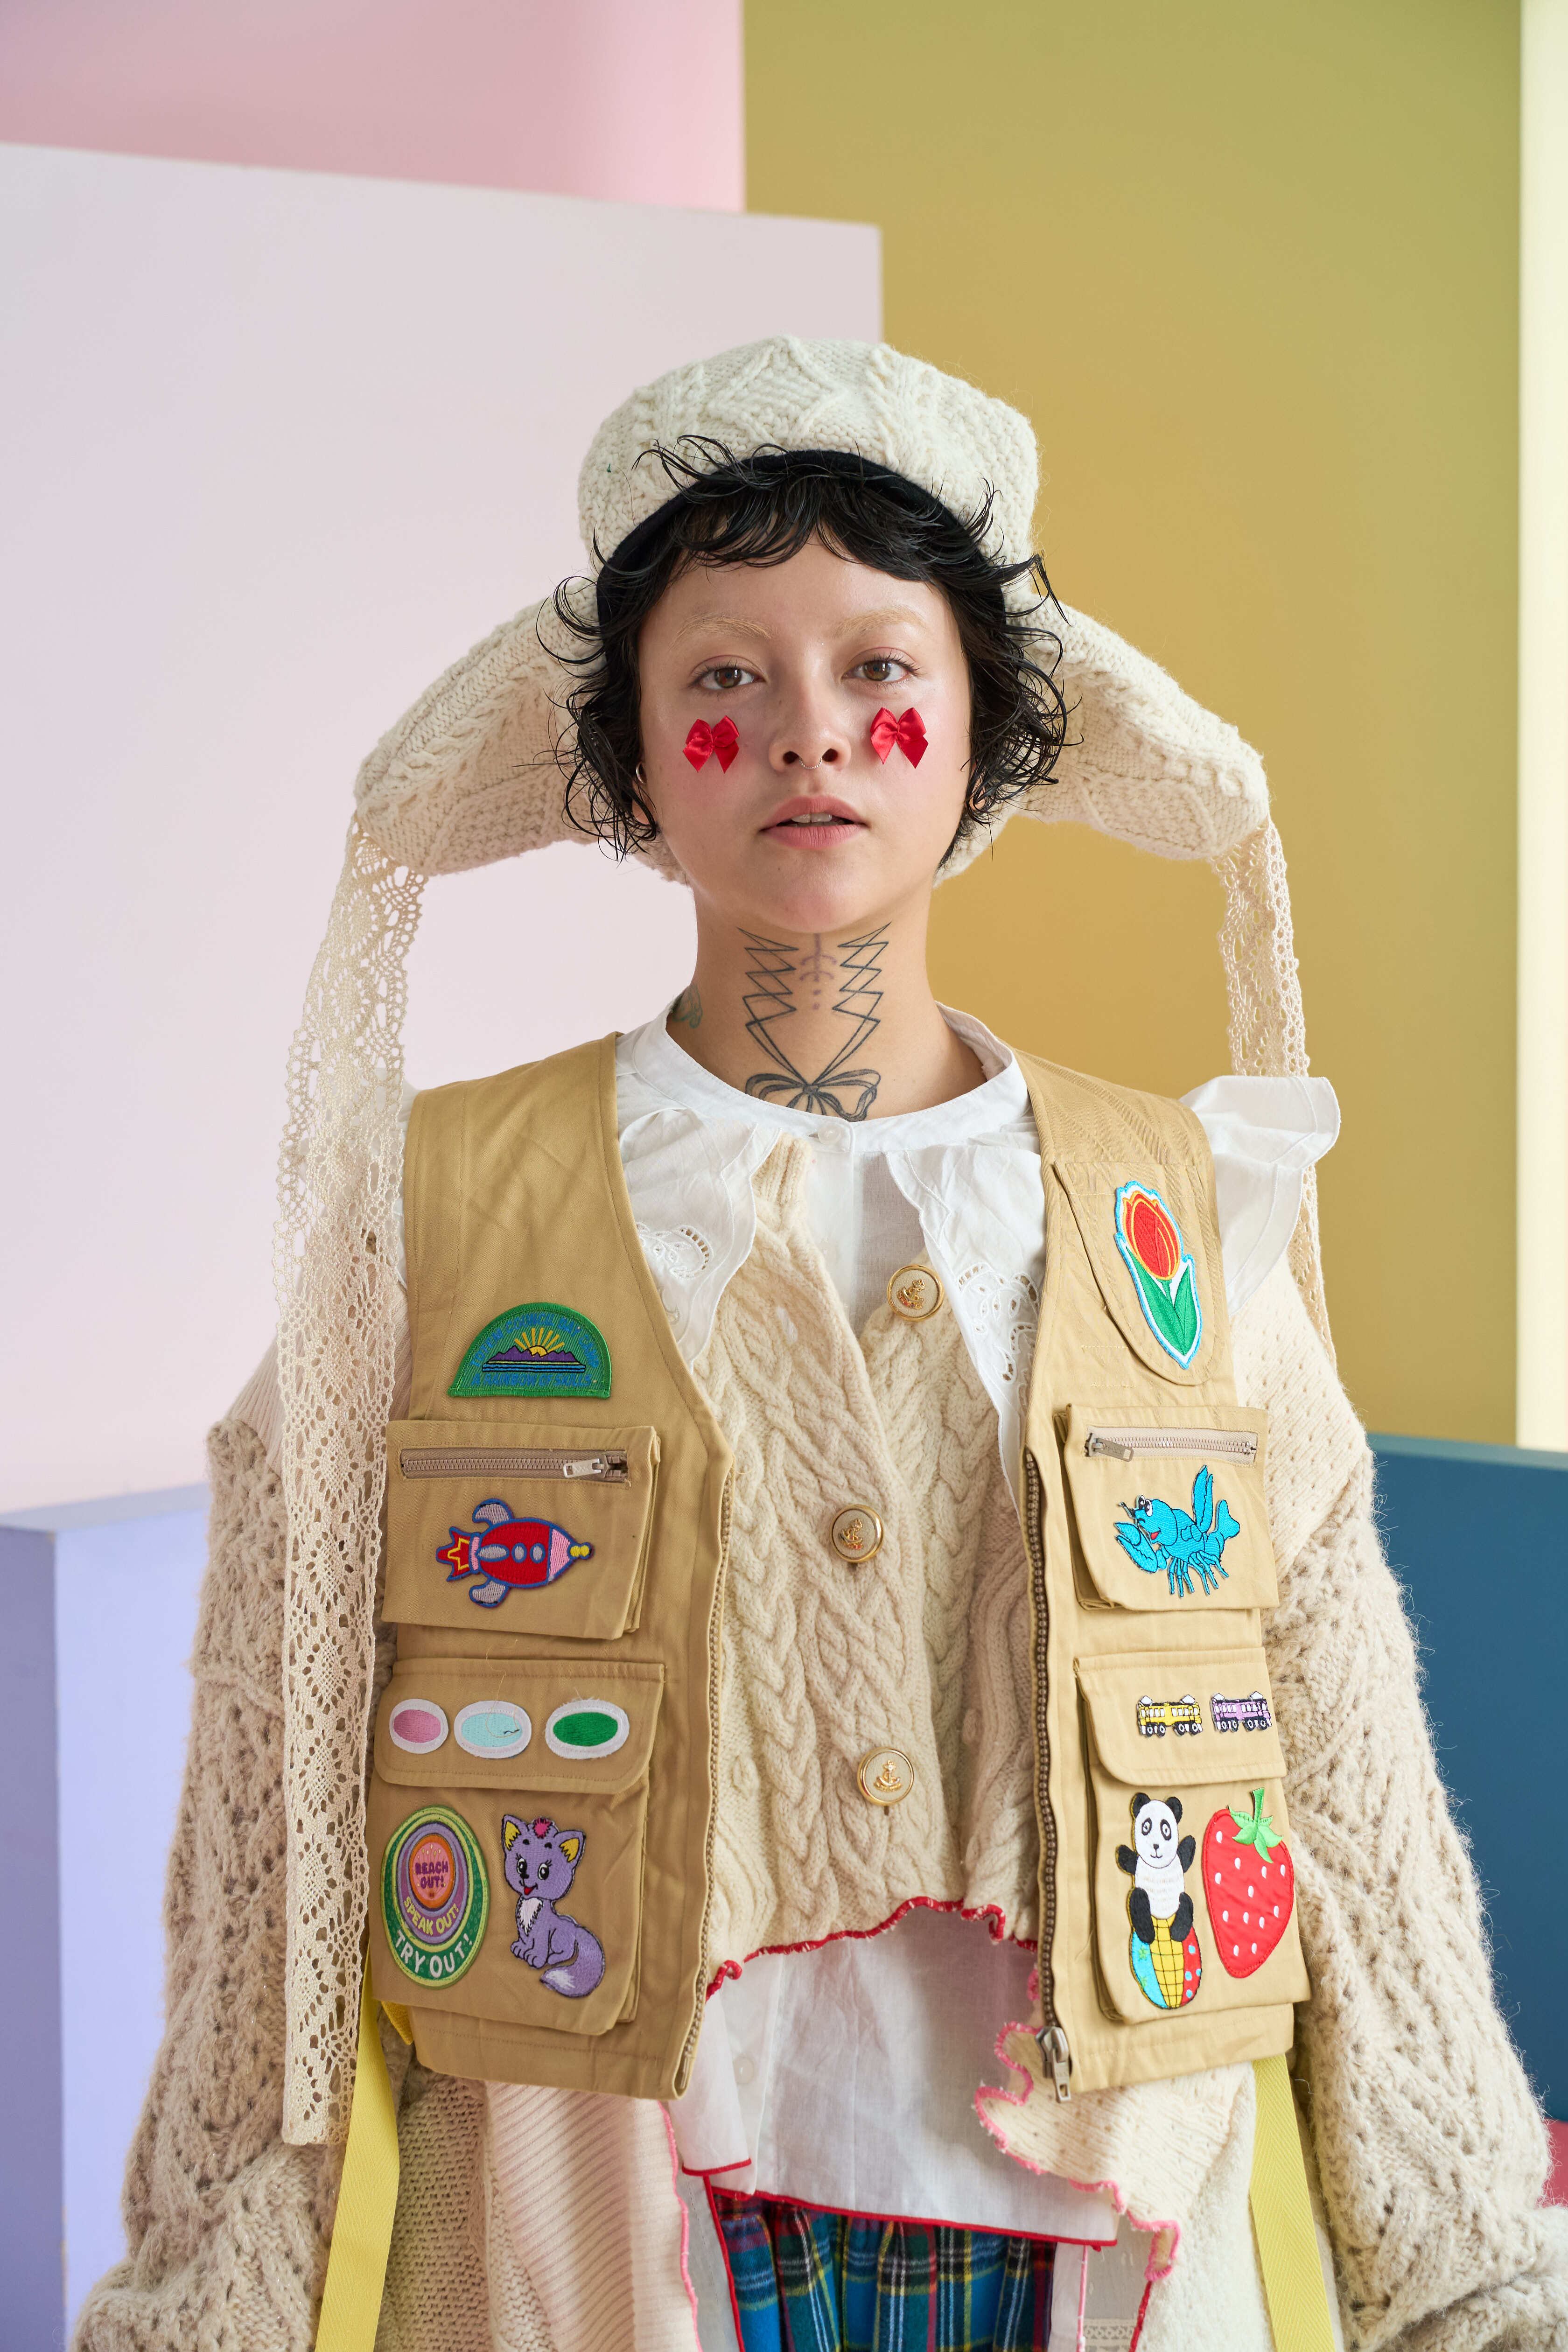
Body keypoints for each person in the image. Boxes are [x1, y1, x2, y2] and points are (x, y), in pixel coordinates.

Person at [76, 339, 1565, 2352]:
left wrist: (1469, 2279)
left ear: (985, 730)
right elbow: (272, 1808)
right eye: (726, 676)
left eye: (881, 668)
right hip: (596, 2239)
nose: (811, 736)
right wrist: (215, 2299)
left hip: (1103, 2244)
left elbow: (1348, 1780)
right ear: (628, 747)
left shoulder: (1182, 1217)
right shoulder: (428, 1216)